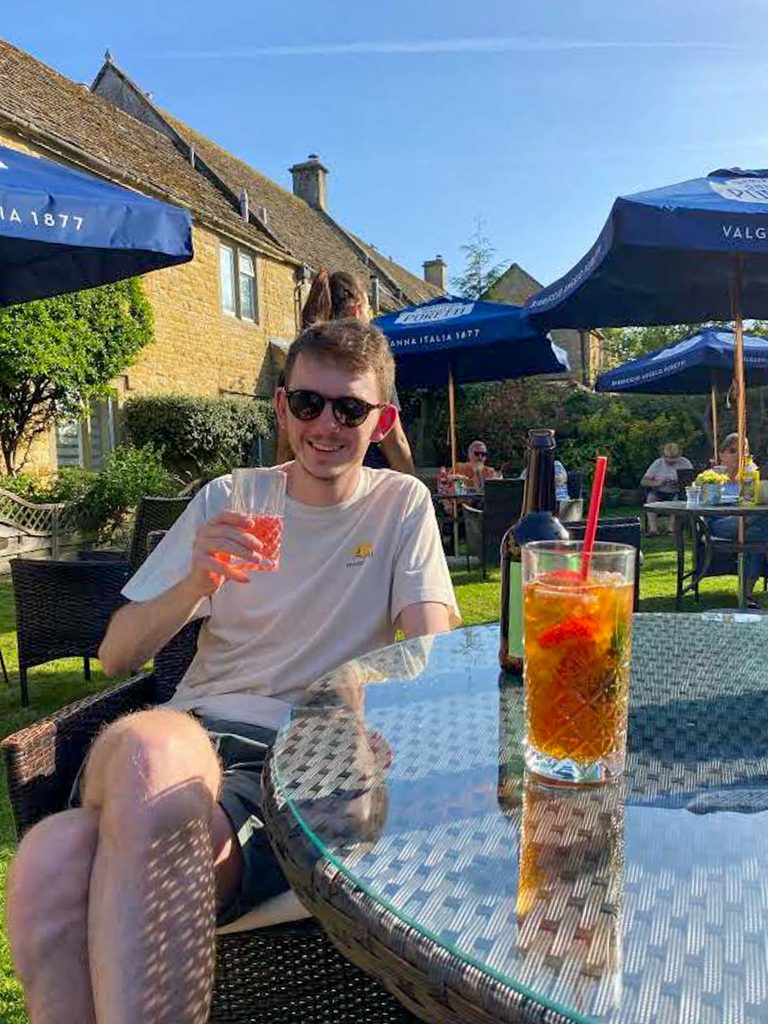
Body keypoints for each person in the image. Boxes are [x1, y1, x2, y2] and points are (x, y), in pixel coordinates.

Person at [6, 318, 460, 1024]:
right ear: (282, 408)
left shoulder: (400, 505)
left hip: (301, 758)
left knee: (50, 865)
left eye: (350, 409)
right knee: (151, 748)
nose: (326, 426)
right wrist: (195, 581)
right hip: (189, 729)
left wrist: (379, 702)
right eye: (309, 404)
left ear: (383, 420)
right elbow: (117, 654)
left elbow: (434, 651)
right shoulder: (230, 499)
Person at [276, 268, 415, 475]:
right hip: (369, 492)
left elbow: (285, 447)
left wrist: (278, 493)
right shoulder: (367, 371)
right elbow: (396, 443)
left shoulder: (299, 366)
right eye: (369, 311)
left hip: (309, 491)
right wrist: (415, 489)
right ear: (357, 311)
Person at [709, 432, 768, 607]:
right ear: (721, 454)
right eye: (733, 450)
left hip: (748, 525)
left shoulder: (750, 477)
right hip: (720, 524)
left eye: (744, 451)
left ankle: (746, 593)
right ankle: (746, 592)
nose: (739, 455)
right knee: (762, 522)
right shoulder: (713, 476)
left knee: (757, 536)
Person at [641, 442, 693, 536]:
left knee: (677, 500)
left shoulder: (685, 463)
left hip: (677, 492)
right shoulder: (657, 463)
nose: (670, 461)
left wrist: (678, 483)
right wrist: (657, 483)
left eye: (673, 459)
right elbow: (644, 481)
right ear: (663, 456)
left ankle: (671, 529)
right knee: (651, 498)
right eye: (668, 458)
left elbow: (691, 480)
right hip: (659, 491)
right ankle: (653, 529)